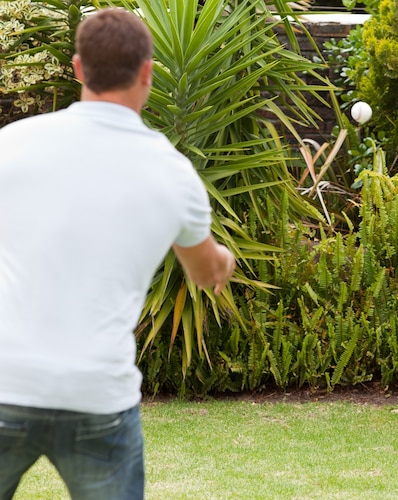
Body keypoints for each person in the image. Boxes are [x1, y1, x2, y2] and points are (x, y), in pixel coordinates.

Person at [0, 8, 235, 498]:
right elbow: (204, 272)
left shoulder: (11, 145)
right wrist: (223, 262)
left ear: (78, 68)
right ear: (148, 72)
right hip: (97, 396)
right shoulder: (172, 172)